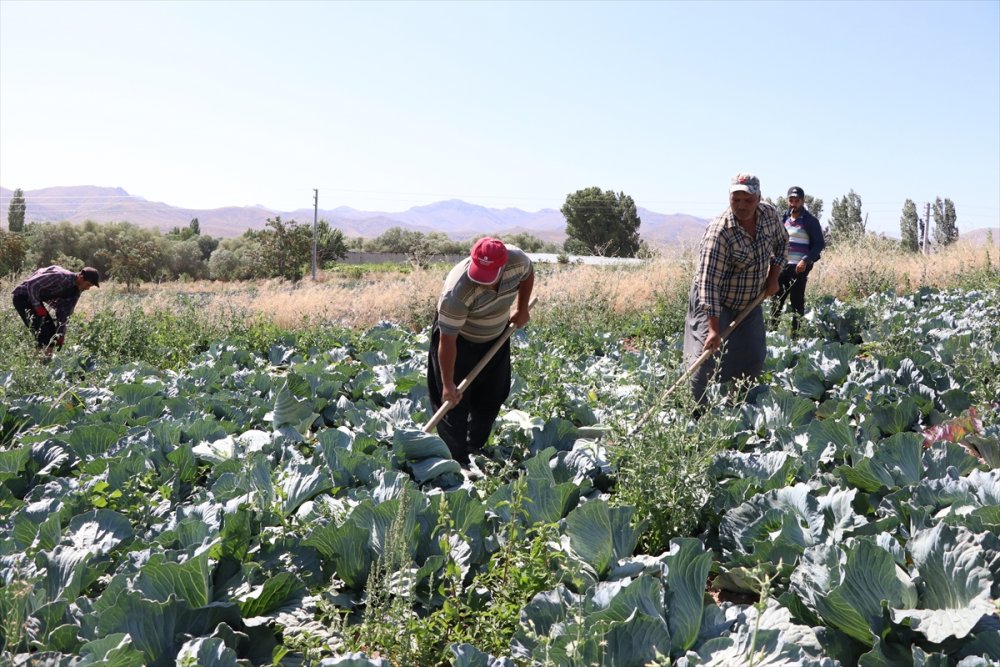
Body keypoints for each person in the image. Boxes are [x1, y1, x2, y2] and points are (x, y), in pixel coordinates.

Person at [427, 237, 534, 465]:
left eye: (488, 275)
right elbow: (448, 341)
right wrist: (447, 385)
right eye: (479, 273)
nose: (482, 281)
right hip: (460, 340)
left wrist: (522, 308)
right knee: (453, 403)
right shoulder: (456, 291)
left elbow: (528, 273)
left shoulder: (517, 261)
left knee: (493, 394)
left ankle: (474, 445)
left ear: (503, 266)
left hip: (496, 335)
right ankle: (456, 459)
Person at [683, 173, 788, 404]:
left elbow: (782, 243)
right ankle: (696, 412)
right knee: (705, 358)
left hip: (750, 299)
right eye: (736, 199)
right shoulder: (719, 232)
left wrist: (773, 276)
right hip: (713, 300)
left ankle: (737, 406)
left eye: (748, 200)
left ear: (759, 198)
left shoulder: (769, 215)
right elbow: (708, 283)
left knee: (753, 356)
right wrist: (713, 328)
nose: (741, 205)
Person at [771, 186, 825, 334]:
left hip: (798, 268)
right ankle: (772, 334)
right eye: (791, 200)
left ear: (802, 201)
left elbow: (819, 243)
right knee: (776, 301)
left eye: (797, 200)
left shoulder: (810, 221)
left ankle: (796, 337)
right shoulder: (783, 219)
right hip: (781, 267)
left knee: (797, 303)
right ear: (787, 200)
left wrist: (806, 260)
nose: (793, 203)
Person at [12, 265, 100, 354]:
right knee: (44, 336)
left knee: (52, 335)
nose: (88, 288)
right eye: (88, 284)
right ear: (81, 277)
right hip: (22, 296)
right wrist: (37, 306)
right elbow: (32, 284)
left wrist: (61, 334)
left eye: (90, 286)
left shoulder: (75, 291)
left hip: (35, 301)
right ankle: (40, 362)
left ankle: (42, 362)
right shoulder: (61, 277)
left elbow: (65, 312)